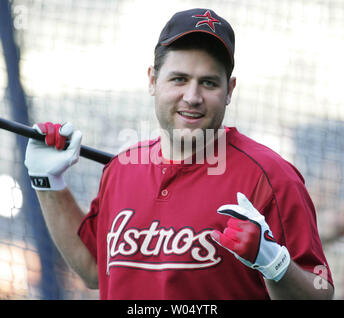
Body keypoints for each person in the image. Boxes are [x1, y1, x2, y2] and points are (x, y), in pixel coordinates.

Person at [24, 8, 334, 299]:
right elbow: (94, 269)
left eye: (209, 83)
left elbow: (321, 289)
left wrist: (274, 263)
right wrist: (47, 184)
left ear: (229, 91)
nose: (193, 96)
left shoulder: (271, 177)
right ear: (152, 80)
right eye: (179, 79)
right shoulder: (120, 169)